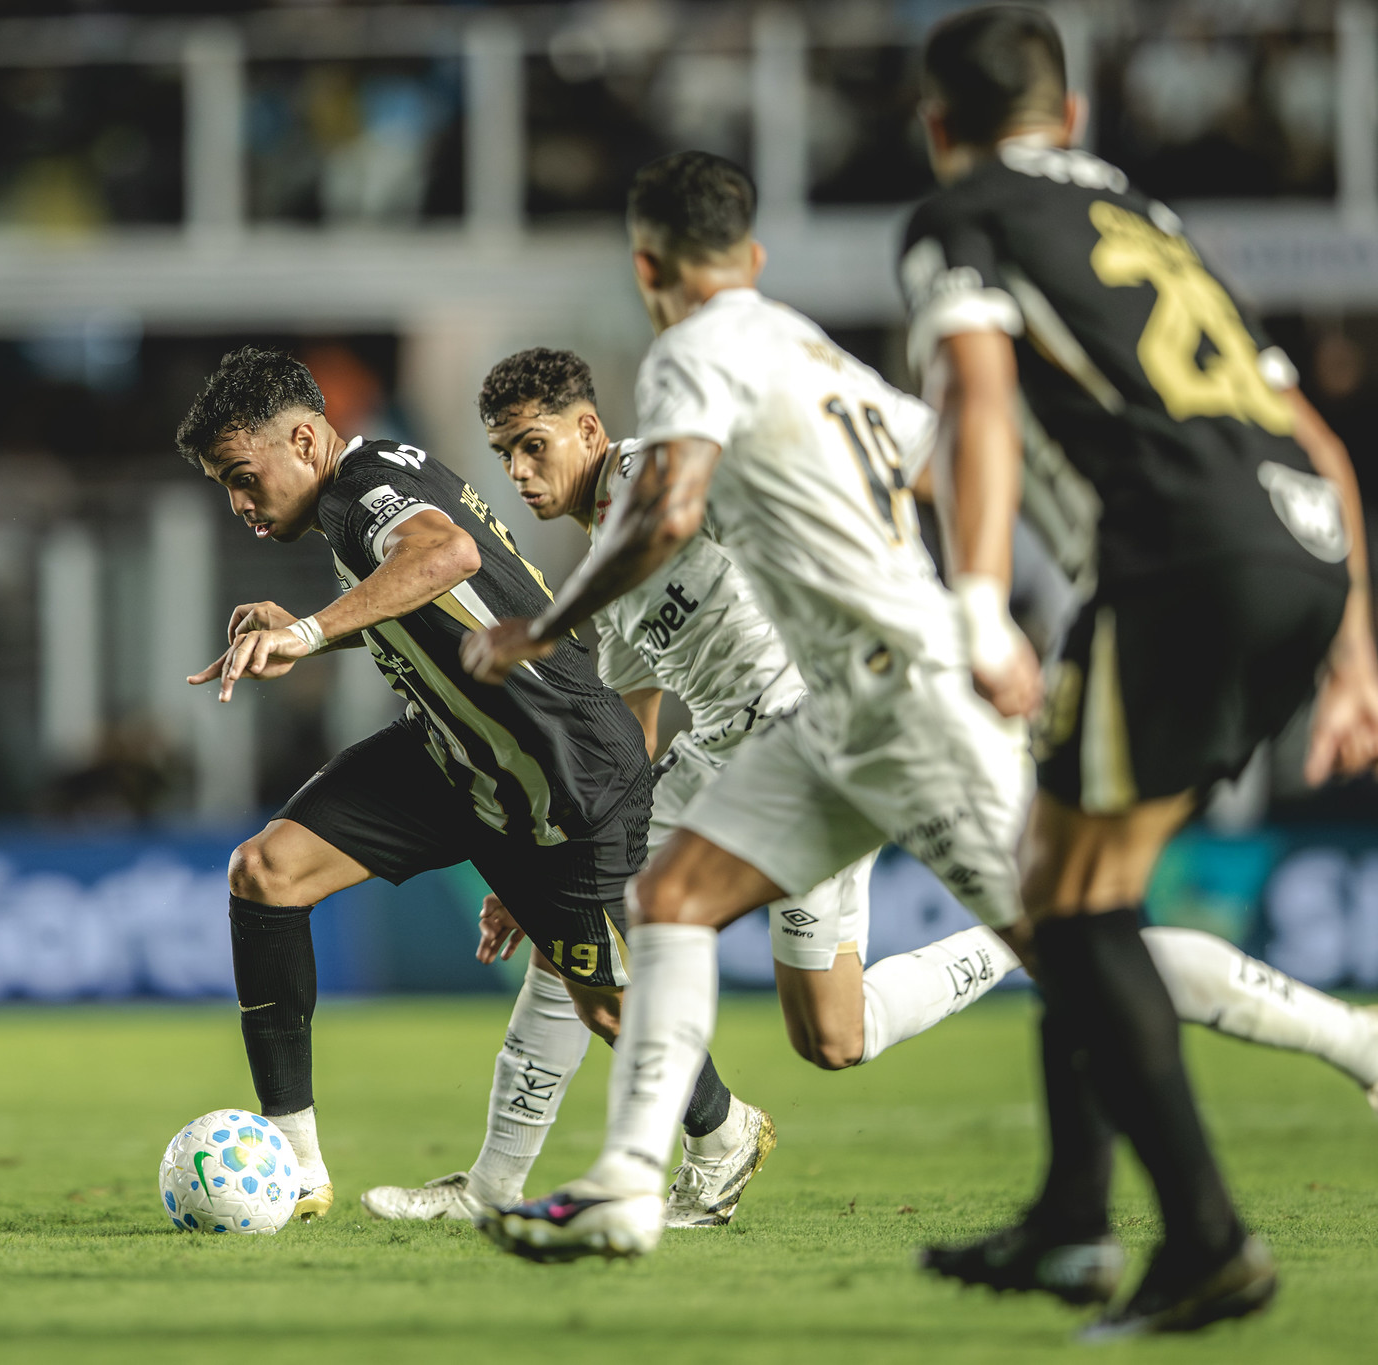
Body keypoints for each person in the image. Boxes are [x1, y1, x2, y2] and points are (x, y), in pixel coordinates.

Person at [898, 7, 1378, 1336]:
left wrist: (981, 603)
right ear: (1075, 116)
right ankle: (1066, 1220)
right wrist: (1354, 662)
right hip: (1302, 552)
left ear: (934, 125)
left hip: (1173, 566)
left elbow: (976, 398)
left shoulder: (963, 214)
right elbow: (1311, 437)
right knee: (1072, 891)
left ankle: (1205, 1241)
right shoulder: (1144, 220)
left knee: (1072, 915)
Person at [360, 348, 1008, 1226]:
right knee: (822, 1028)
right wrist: (559, 857)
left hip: (809, 748)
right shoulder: (604, 560)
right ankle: (492, 1183)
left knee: (805, 1020)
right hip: (727, 756)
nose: (515, 471)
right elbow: (631, 727)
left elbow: (717, 503)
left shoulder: (657, 475)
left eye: (531, 445)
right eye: (503, 453)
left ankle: (1013, 938)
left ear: (588, 429)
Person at [173, 346, 755, 1222]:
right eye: (225, 485)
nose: (239, 503)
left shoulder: (361, 492)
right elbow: (437, 602)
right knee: (266, 872)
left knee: (604, 1004)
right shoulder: (374, 479)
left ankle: (724, 1131)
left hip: (562, 769)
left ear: (303, 438)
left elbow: (442, 557)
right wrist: (313, 630)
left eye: (242, 477)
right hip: (455, 756)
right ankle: (295, 1161)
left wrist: (305, 631)